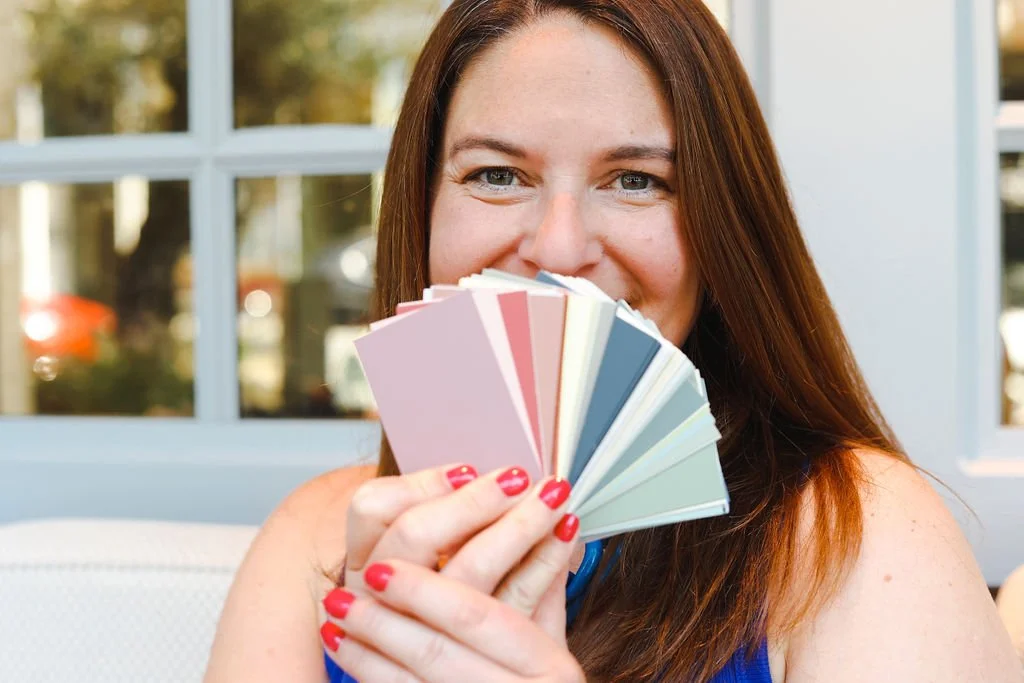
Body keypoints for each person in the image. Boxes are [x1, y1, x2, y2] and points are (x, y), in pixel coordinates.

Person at [204, 1, 1022, 681]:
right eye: (497, 174)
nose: (559, 250)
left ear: (722, 229)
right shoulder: (314, 538)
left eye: (636, 180)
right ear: (421, 211)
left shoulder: (861, 537)